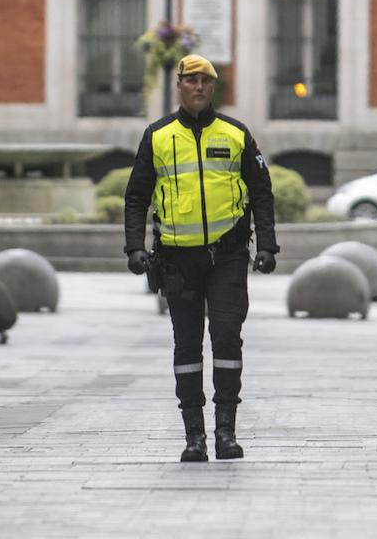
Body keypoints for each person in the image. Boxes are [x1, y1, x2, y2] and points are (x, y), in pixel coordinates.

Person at [122, 55, 278, 463]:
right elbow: (136, 196)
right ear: (179, 85)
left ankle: (226, 432)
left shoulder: (237, 134)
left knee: (227, 336)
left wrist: (267, 246)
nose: (198, 87)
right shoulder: (157, 136)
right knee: (187, 345)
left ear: (213, 88)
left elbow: (262, 192)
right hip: (177, 259)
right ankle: (194, 436)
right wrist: (134, 247)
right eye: (191, 80)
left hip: (227, 255)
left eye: (206, 81)